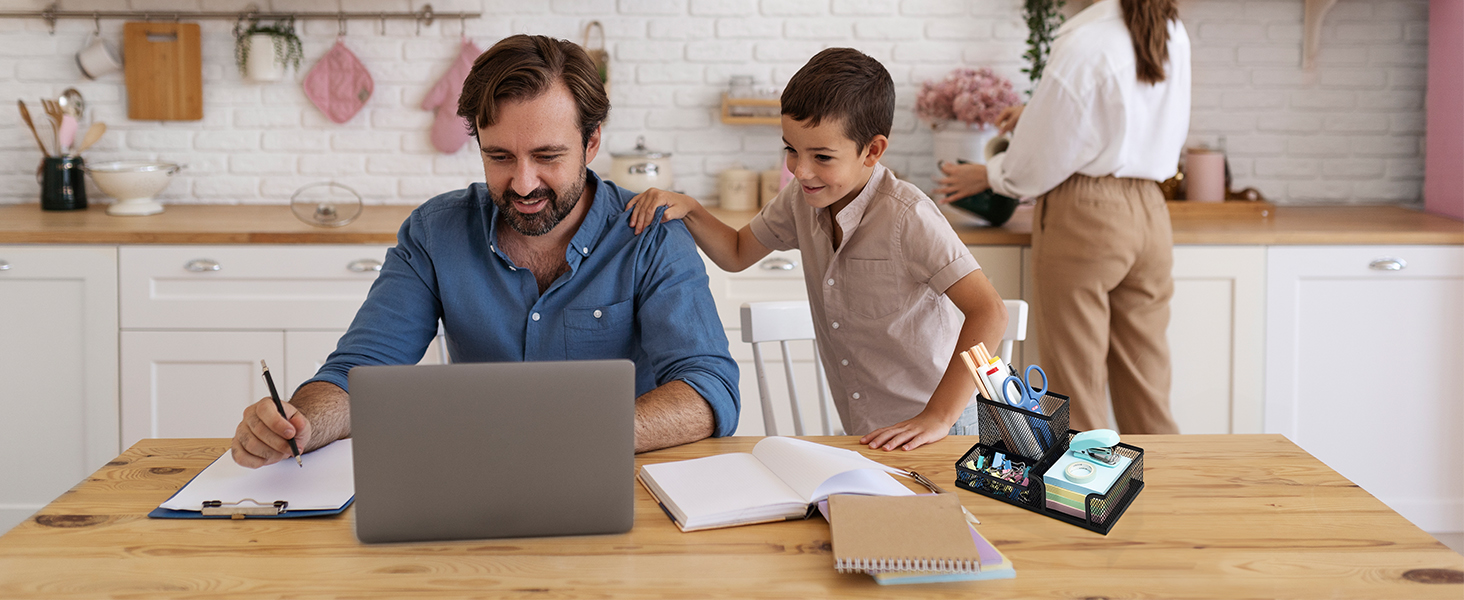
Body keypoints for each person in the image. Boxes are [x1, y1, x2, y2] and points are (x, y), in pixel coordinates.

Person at [231, 35, 740, 468]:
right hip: (478, 482)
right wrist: (298, 424)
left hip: (620, 478)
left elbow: (708, 390)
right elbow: (357, 374)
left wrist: (567, 439)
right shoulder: (435, 233)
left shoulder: (649, 233)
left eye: (547, 156)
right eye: (499, 157)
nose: (522, 183)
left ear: (591, 144)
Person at [625, 48, 1008, 452]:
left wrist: (939, 416)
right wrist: (692, 209)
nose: (799, 170)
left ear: (872, 152)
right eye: (791, 149)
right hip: (871, 433)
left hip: (945, 430)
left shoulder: (908, 217)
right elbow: (737, 253)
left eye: (822, 157)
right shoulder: (800, 200)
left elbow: (990, 312)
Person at [933, 0, 1189, 434]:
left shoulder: (1085, 39)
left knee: (1076, 381)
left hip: (1088, 216)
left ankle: (1090, 494)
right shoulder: (1166, 27)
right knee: (1148, 386)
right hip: (1150, 209)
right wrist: (1033, 119)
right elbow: (1118, 118)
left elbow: (1036, 164)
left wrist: (991, 174)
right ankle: (1160, 496)